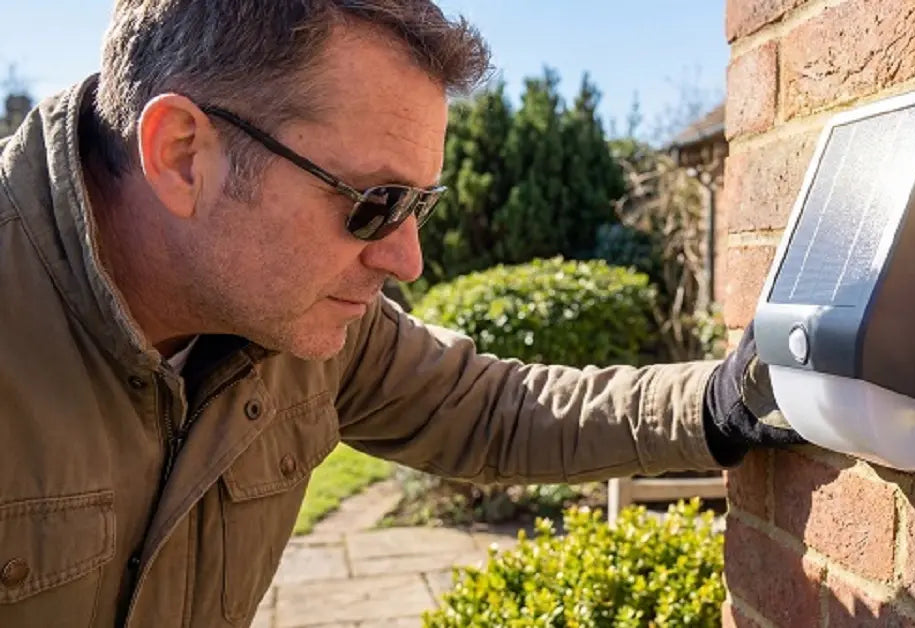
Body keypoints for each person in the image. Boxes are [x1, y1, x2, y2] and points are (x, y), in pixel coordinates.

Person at [0, 1, 803, 626]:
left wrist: (718, 403)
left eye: (421, 203)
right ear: (181, 154)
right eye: (375, 202)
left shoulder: (299, 325)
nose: (406, 259)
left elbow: (492, 410)